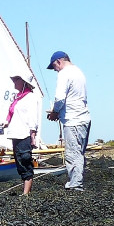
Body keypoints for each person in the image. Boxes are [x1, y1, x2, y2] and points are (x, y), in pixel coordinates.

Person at [46, 51, 91, 191]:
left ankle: (76, 184)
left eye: (54, 67)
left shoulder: (64, 74)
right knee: (79, 152)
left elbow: (59, 98)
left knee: (73, 153)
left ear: (59, 61)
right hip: (84, 118)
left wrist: (54, 112)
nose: (55, 70)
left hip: (73, 120)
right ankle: (76, 181)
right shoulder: (78, 72)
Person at [1, 72, 40, 195]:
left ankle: (26, 193)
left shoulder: (31, 97)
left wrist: (33, 135)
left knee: (25, 159)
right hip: (15, 133)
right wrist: (6, 123)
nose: (14, 82)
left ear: (23, 82)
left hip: (24, 134)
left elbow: (33, 117)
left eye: (17, 79)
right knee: (19, 161)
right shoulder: (17, 98)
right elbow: (12, 114)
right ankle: (25, 191)